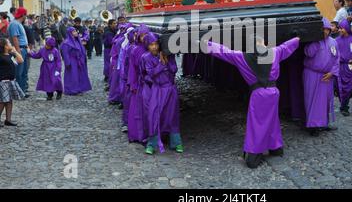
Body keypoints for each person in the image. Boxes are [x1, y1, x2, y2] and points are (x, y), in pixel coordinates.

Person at [204, 34, 300, 168]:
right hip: (273, 93)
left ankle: (254, 156)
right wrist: (298, 38)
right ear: (263, 43)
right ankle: (275, 148)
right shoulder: (274, 52)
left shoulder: (242, 56)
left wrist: (204, 43)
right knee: (272, 120)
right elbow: (287, 46)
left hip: (259, 94)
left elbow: (223, 51)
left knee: (257, 124)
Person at [142, 32, 184, 155]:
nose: (154, 47)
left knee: (172, 116)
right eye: (151, 45)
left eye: (155, 44)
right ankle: (152, 143)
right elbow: (151, 73)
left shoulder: (168, 55)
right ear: (147, 46)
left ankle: (176, 142)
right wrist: (162, 64)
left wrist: (166, 61)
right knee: (154, 115)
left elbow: (174, 70)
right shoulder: (146, 57)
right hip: (157, 90)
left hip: (170, 90)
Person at [303, 18, 339, 137]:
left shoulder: (333, 42)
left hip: (327, 76)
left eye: (327, 30)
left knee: (326, 101)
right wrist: (315, 42)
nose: (325, 32)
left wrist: (332, 72)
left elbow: (337, 59)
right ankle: (313, 125)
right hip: (312, 74)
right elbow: (308, 53)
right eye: (322, 30)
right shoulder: (313, 42)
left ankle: (324, 122)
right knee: (312, 100)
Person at [127, 24, 151, 142]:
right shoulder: (135, 50)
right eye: (142, 35)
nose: (144, 38)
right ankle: (138, 135)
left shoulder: (152, 47)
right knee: (138, 110)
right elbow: (132, 69)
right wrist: (133, 84)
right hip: (139, 83)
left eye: (146, 35)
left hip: (150, 84)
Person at [0, 38, 25, 127]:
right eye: (9, 43)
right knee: (3, 101)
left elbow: (21, 60)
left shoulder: (10, 55)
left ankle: (8, 120)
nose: (11, 44)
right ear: (5, 46)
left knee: (9, 101)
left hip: (11, 81)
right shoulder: (1, 57)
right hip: (3, 82)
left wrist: (15, 51)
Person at [60, 27, 92, 96]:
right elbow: (65, 54)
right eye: (74, 32)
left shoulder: (77, 41)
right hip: (72, 61)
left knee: (79, 75)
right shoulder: (66, 43)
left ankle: (80, 88)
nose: (76, 33)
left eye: (75, 31)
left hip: (79, 61)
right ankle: (72, 90)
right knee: (73, 76)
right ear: (70, 33)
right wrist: (68, 63)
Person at [7, 7, 29, 96]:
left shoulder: (18, 24)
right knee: (19, 72)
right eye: (25, 14)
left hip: (23, 49)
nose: (26, 16)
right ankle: (18, 92)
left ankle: (22, 91)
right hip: (19, 49)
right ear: (23, 15)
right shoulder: (15, 24)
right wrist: (18, 52)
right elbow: (15, 38)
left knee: (24, 71)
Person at [103, 19, 117, 84]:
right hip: (108, 49)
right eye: (114, 23)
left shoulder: (112, 31)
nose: (115, 25)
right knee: (108, 63)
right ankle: (107, 76)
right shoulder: (108, 32)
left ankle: (107, 75)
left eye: (115, 23)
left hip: (109, 49)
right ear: (110, 24)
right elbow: (111, 41)